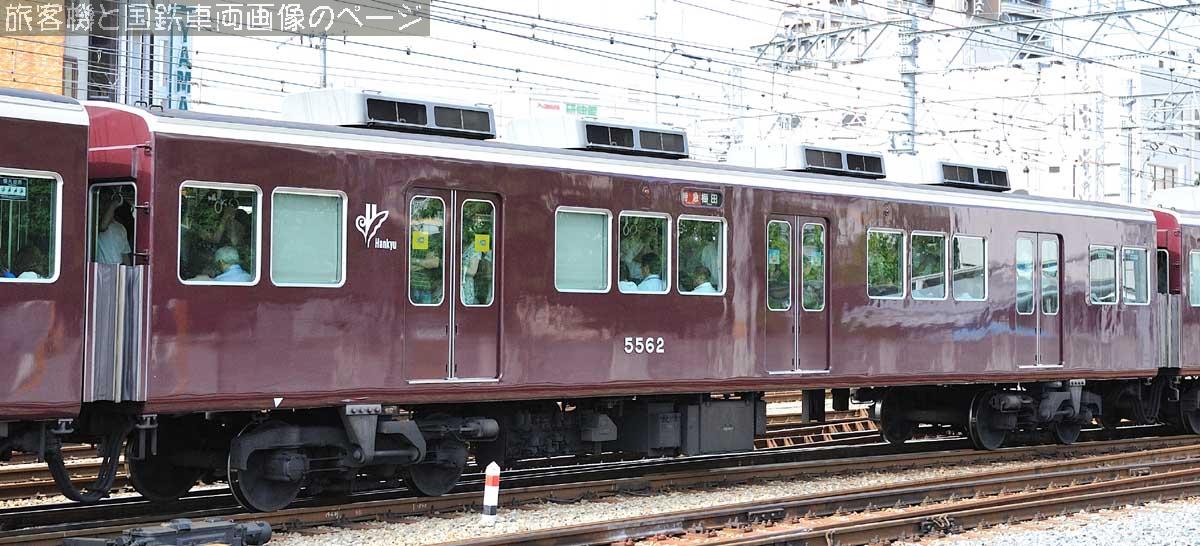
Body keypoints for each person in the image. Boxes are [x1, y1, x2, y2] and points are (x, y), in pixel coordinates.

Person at [95, 190, 132, 265]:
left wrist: (130, 270)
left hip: (117, 269)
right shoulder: (95, 222)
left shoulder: (120, 227)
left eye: (107, 201)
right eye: (102, 201)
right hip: (101, 269)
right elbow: (103, 226)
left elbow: (125, 255)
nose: (104, 205)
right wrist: (114, 204)